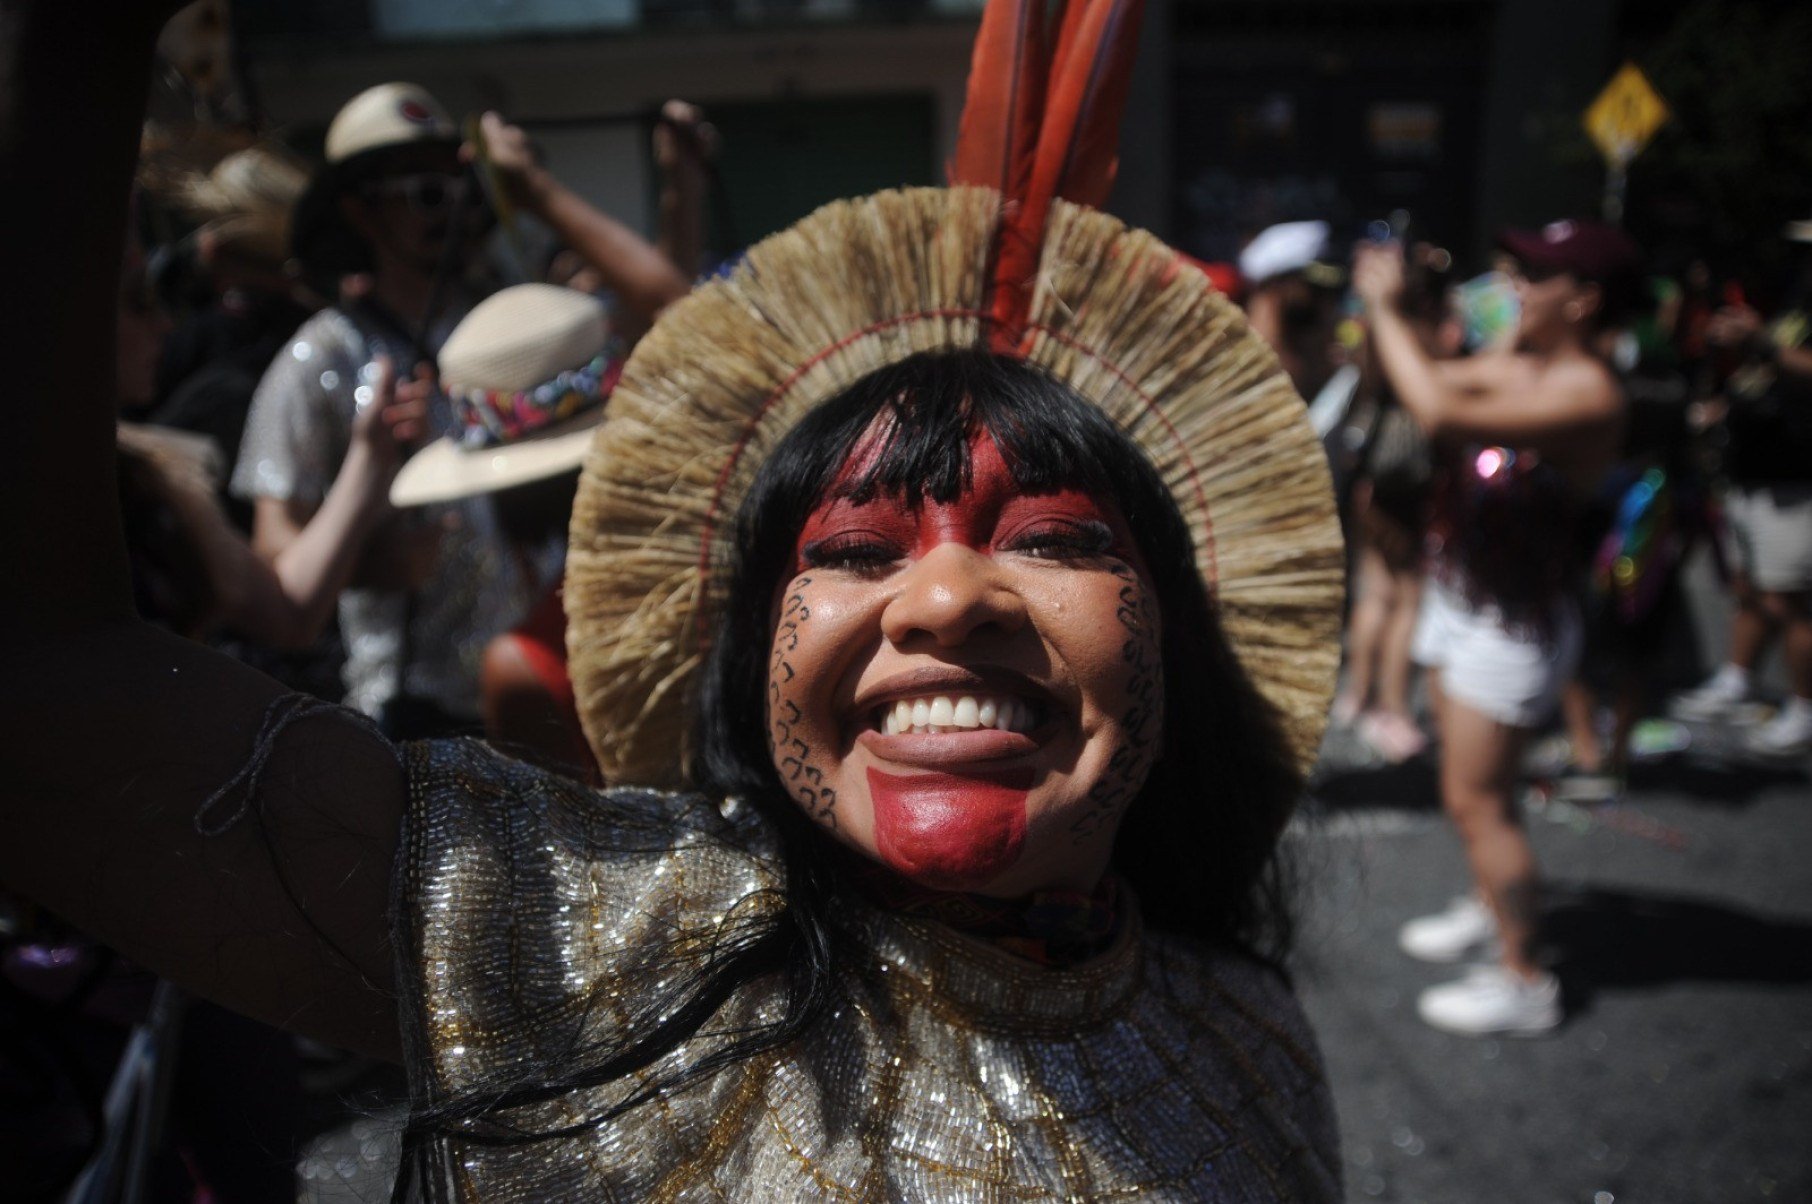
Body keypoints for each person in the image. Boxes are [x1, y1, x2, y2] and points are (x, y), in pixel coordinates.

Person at [2, 1, 1346, 1198]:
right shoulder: (610, 952)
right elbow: (45, 702)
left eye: (1051, 536)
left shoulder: (1256, 1039)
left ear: (1173, 631)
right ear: (754, 657)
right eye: (857, 552)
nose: (944, 596)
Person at [232, 82, 692, 735]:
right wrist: (372, 559)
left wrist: (667, 187)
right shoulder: (318, 362)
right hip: (415, 711)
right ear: (362, 214)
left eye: (456, 191)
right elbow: (274, 562)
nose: (446, 212)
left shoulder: (500, 330)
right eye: (423, 195)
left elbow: (668, 316)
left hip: (550, 684)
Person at [1355, 217, 1637, 1036]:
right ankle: (1490, 904)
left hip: (1511, 628)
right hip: (1463, 597)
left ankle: (1524, 977)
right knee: (1475, 787)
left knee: (1479, 804)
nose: (1511, 284)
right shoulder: (1525, 359)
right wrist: (1404, 311)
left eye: (1534, 276)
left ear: (1582, 302)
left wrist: (1379, 308)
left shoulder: (1590, 388)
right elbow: (1433, 378)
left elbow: (1439, 407)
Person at [1670, 223, 1812, 757]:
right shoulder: (1794, 302)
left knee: (1791, 599)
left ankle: (1804, 708)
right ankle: (1738, 678)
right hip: (1755, 470)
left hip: (1797, 479)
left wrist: (1761, 343)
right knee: (1750, 587)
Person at [1335, 242, 1461, 761]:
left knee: (1374, 593)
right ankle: (1393, 709)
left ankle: (1357, 697)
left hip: (1372, 469)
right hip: (1410, 473)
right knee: (1407, 596)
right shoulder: (1423, 335)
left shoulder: (1369, 330)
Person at [1239, 219, 1347, 401]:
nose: (1324, 302)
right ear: (1276, 285)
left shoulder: (1317, 339)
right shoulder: (1246, 356)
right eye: (1314, 290)